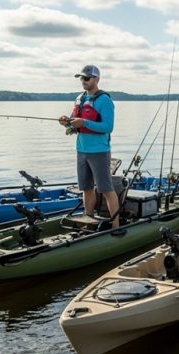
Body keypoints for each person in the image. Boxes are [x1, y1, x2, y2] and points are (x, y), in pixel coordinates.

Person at [59, 64, 121, 231]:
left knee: (106, 190)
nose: (83, 81)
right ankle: (89, 222)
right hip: (81, 150)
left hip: (99, 152)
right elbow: (73, 124)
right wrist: (67, 123)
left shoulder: (104, 101)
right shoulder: (80, 99)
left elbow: (108, 127)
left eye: (86, 78)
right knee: (86, 189)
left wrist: (84, 122)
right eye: (81, 78)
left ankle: (116, 226)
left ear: (96, 79)